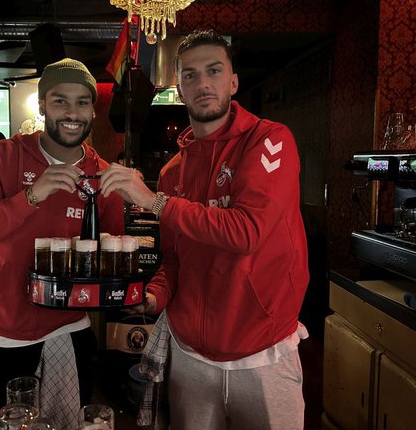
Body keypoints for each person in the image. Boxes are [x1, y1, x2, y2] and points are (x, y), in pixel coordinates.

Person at [100, 30, 310, 429]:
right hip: (191, 356)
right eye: (191, 75)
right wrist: (154, 296)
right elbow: (176, 258)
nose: (203, 83)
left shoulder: (269, 141)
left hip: (263, 354)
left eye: (214, 71)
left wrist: (153, 203)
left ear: (233, 81)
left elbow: (247, 232)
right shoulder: (171, 172)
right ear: (179, 87)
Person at [0, 58, 124, 424]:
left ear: (92, 110)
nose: (72, 112)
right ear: (43, 105)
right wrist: (31, 196)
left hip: (69, 330)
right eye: (60, 100)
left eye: (82, 102)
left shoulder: (104, 176)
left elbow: (109, 254)